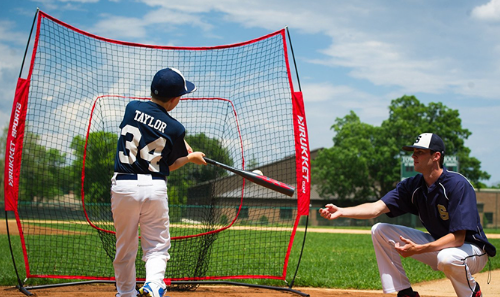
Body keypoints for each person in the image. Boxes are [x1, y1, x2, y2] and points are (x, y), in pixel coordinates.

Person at [319, 133, 496, 297]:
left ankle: (471, 293)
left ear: (436, 156)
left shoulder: (457, 185)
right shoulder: (413, 185)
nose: (413, 156)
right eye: (413, 152)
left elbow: (458, 239)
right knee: (380, 230)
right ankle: (405, 293)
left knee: (447, 257)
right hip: (440, 246)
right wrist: (342, 211)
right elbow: (376, 208)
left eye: (419, 152)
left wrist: (419, 249)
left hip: (471, 250)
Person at [111, 67, 206, 297]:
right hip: (154, 187)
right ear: (174, 100)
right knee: (157, 246)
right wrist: (190, 158)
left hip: (124, 185)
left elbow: (148, 125)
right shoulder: (176, 128)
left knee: (125, 246)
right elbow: (168, 165)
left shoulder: (131, 107)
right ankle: (154, 284)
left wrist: (182, 150)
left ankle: (126, 293)